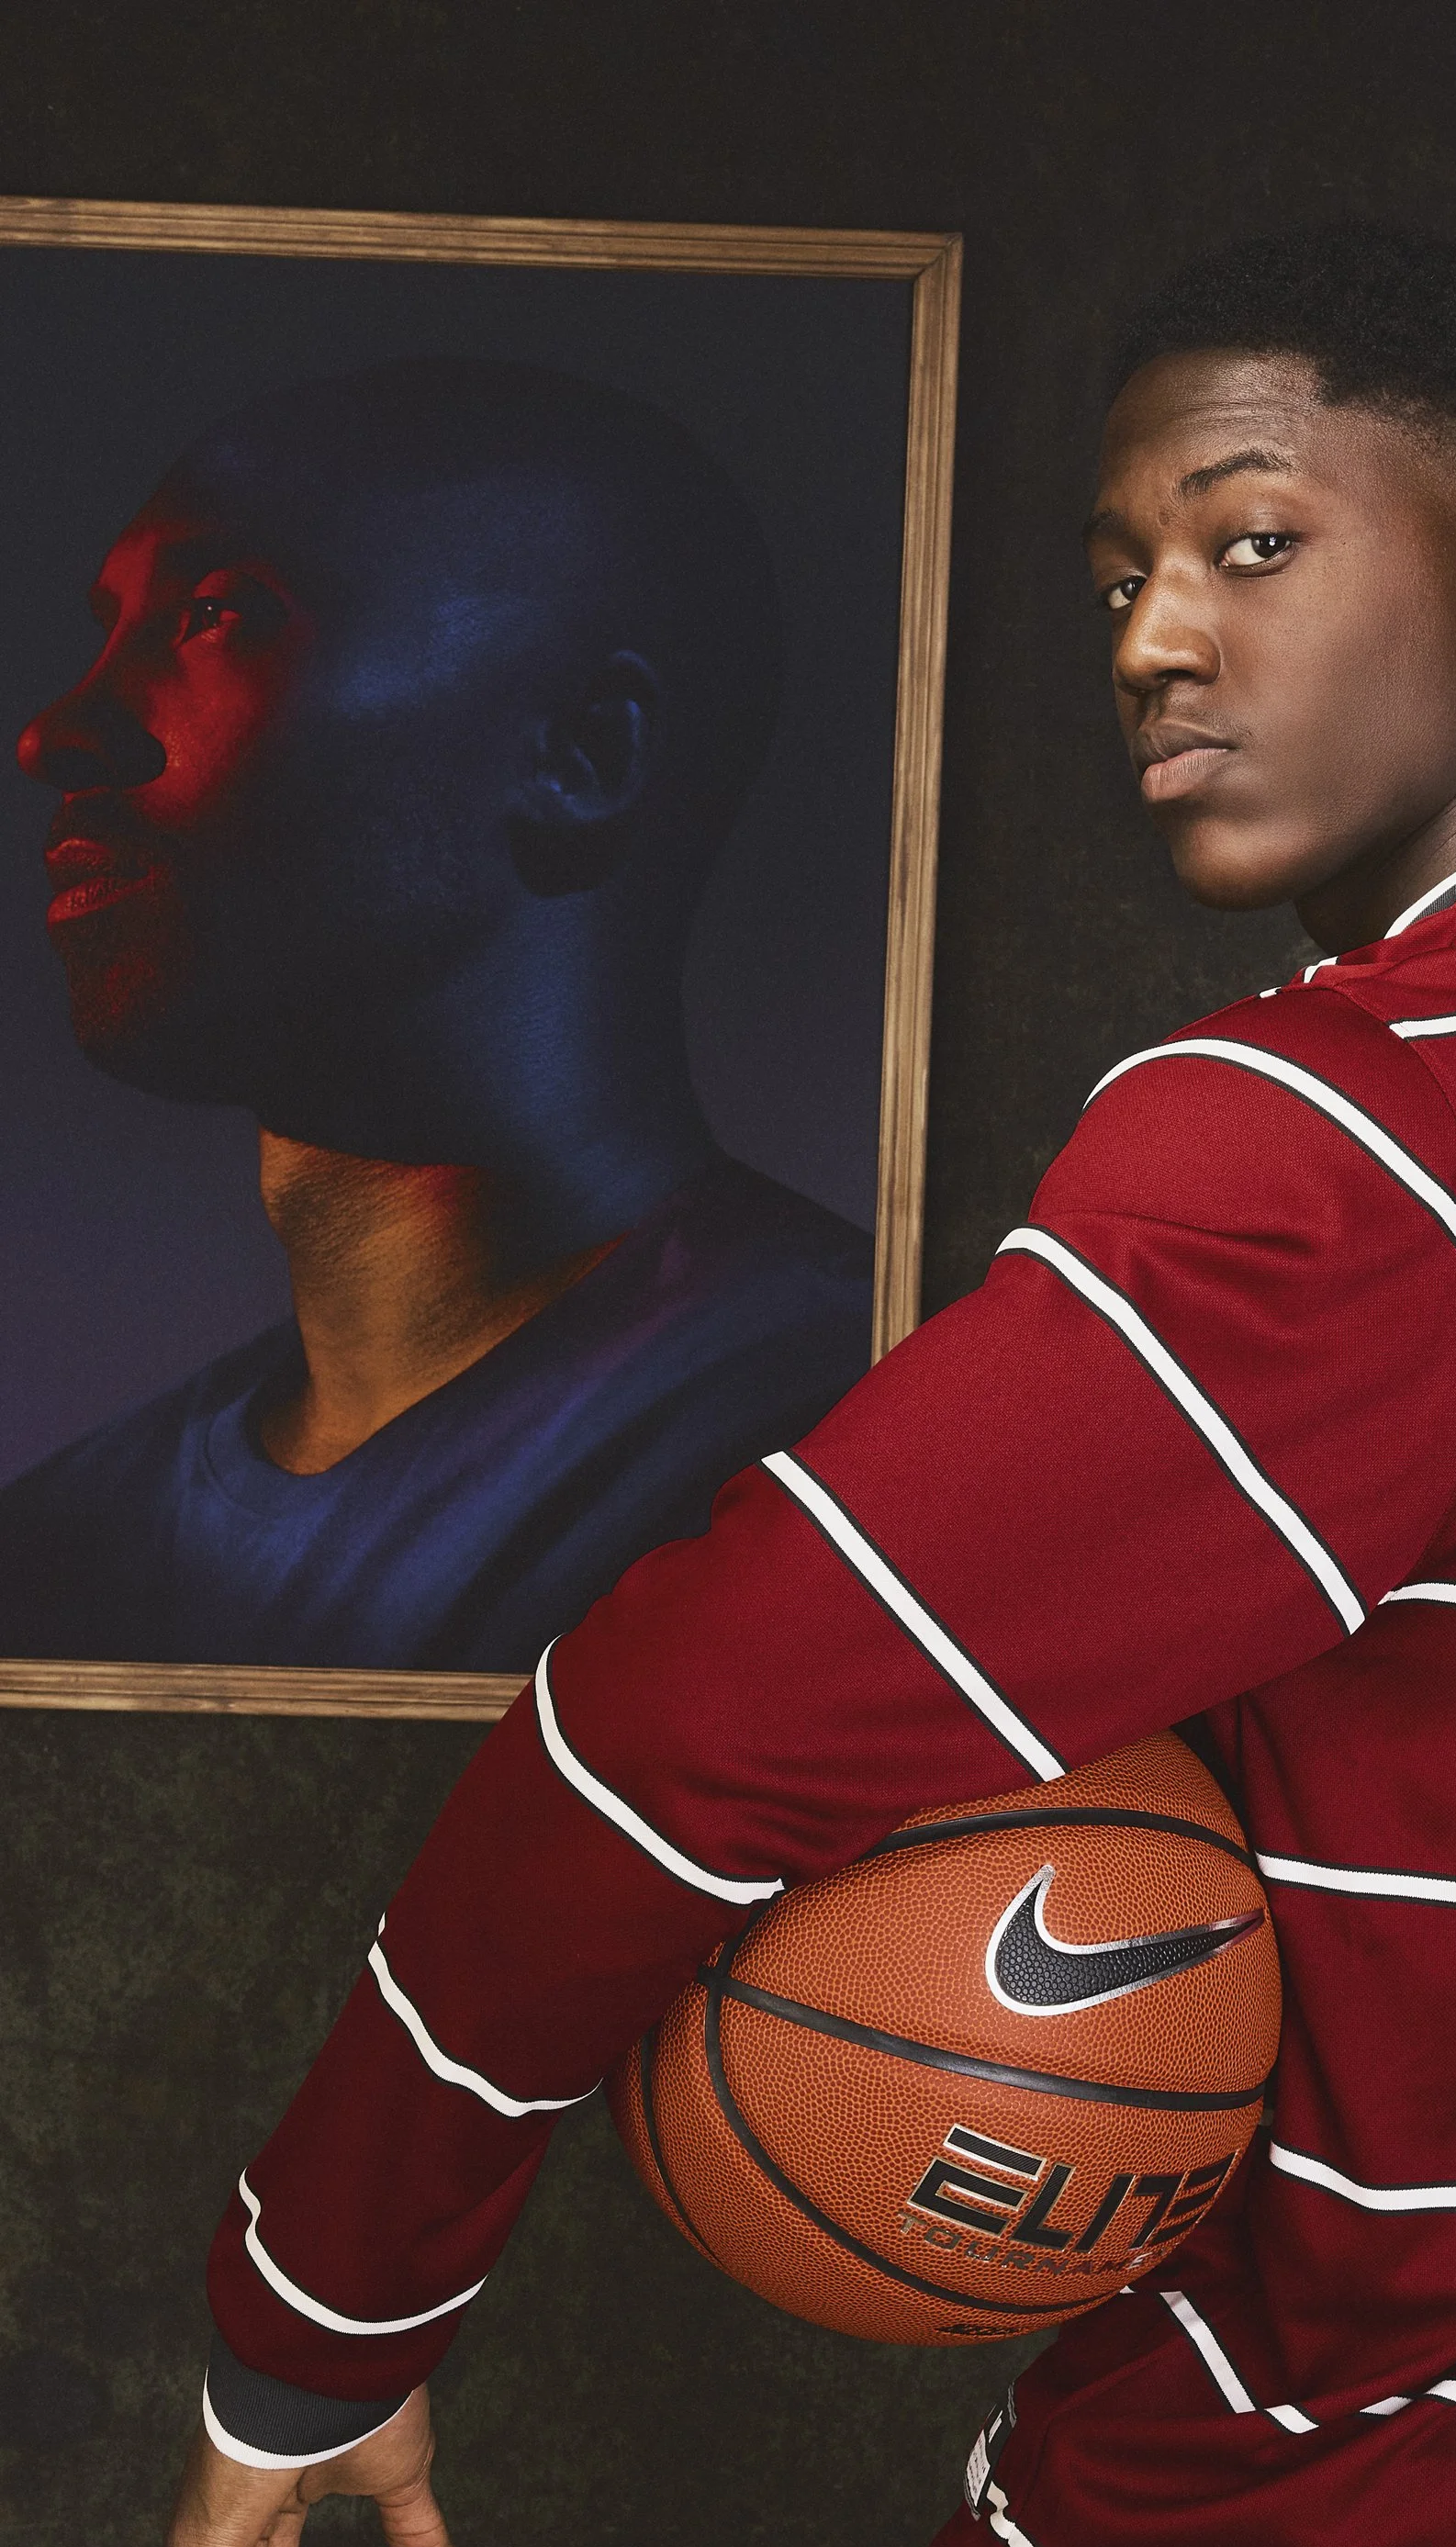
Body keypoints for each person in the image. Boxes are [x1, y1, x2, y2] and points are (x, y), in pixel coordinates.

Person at [167, 227, 1456, 2547]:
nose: (1148, 639)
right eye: (1119, 574)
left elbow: (671, 1732)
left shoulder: (1343, 1148)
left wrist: (308, 2325)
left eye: (1249, 542)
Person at [0, 357, 871, 1674]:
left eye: (215, 614)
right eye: (111, 629)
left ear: (581, 755)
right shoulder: (62, 1551)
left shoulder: (860, 1448)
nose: (54, 735)